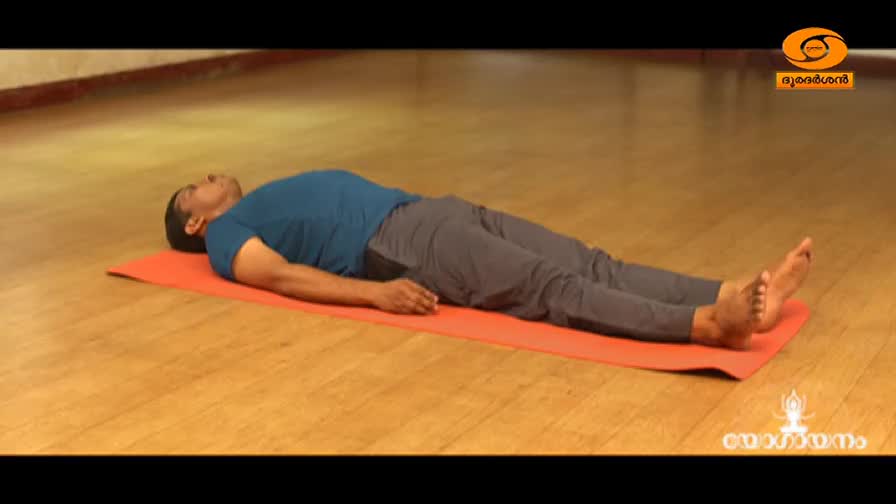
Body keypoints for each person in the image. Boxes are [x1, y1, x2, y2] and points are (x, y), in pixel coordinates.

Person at [163, 169, 812, 350]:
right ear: (197, 219)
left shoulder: (260, 200)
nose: (210, 175)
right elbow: (276, 276)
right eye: (196, 186)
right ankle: (704, 323)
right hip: (401, 246)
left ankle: (735, 292)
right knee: (552, 287)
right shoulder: (227, 236)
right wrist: (373, 295)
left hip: (431, 212)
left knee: (592, 262)